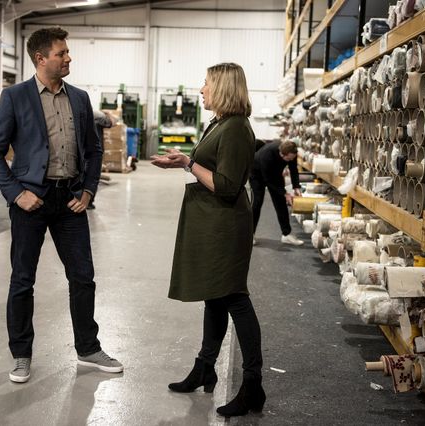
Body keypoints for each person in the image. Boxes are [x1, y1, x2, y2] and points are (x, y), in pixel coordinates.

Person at [0, 27, 123, 384]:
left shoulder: (79, 98)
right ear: (41, 58)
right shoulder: (15, 97)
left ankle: (88, 349)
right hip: (30, 201)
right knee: (22, 281)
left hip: (70, 201)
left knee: (83, 277)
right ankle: (21, 355)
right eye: (62, 53)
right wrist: (16, 193)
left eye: (67, 52)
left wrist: (89, 191)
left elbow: (92, 151)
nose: (68, 58)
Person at [151, 62, 265, 417]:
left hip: (225, 225)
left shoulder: (234, 128)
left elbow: (227, 185)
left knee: (233, 297)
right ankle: (205, 367)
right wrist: (186, 162)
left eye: (206, 84)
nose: (201, 90)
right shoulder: (220, 123)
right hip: (214, 222)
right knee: (214, 297)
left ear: (223, 88)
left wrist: (187, 163)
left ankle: (253, 386)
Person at [250, 140, 304, 246]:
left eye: (292, 158)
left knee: (280, 203)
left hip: (275, 173)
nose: (290, 160)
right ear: (282, 155)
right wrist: (285, 193)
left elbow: (293, 170)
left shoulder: (292, 152)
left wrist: (296, 187)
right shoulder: (267, 155)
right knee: (257, 203)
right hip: (257, 174)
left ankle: (286, 234)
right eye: (289, 159)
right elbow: (268, 180)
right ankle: (250, 235)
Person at [87, 109, 118, 210]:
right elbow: (113, 122)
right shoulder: (99, 118)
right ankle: (89, 202)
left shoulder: (84, 115)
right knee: (93, 175)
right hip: (95, 151)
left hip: (82, 150)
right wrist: (108, 113)